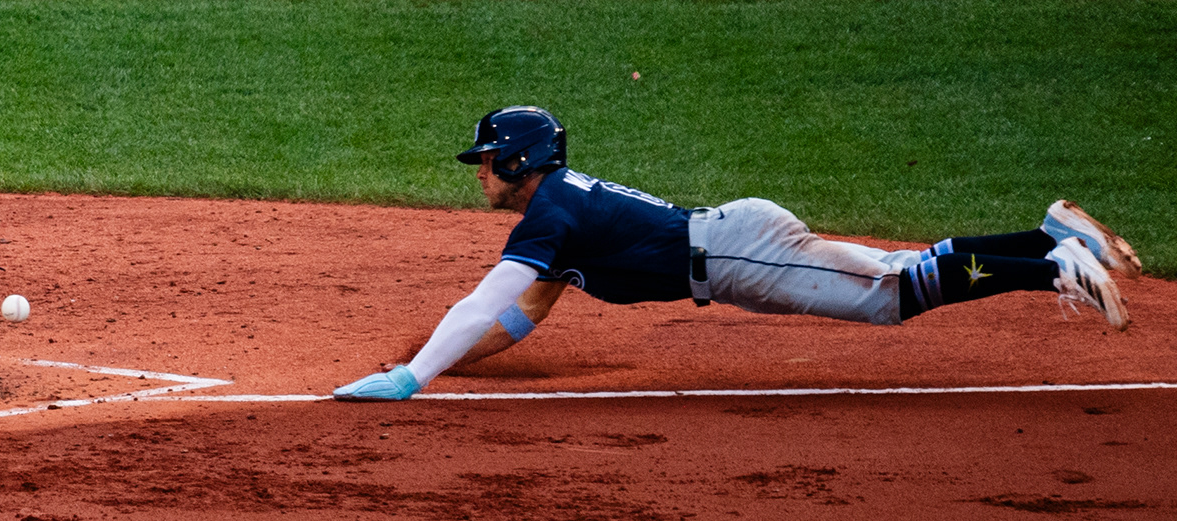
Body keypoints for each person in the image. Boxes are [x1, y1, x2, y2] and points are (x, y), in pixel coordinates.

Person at [335, 107, 1140, 402]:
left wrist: (416, 377)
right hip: (733, 256)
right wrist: (463, 364)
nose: (479, 174)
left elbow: (482, 300)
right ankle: (1047, 233)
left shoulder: (549, 214)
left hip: (739, 256)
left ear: (517, 162)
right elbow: (518, 315)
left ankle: (1056, 271)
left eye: (484, 161)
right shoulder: (560, 216)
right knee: (897, 269)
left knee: (891, 294)